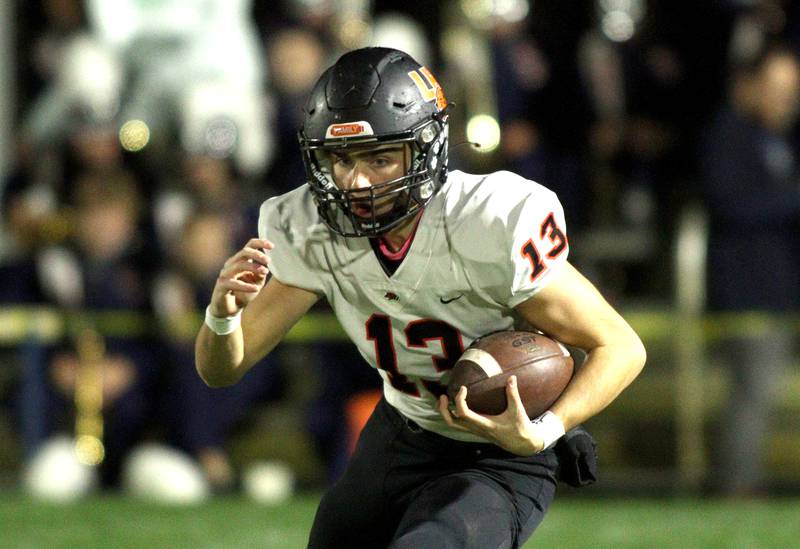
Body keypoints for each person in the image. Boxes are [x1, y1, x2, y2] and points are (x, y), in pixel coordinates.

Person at [195, 47, 646, 548]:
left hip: (497, 454)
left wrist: (547, 429)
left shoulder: (488, 223)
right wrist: (221, 316)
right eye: (341, 159)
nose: (357, 181)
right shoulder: (311, 228)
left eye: (381, 158)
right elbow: (221, 369)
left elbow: (620, 347)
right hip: (400, 433)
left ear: (426, 148)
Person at [699, 44, 800, 495]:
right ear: (749, 85)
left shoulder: (777, 137)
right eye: (778, 88)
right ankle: (735, 488)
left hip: (779, 289)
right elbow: (730, 205)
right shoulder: (727, 135)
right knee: (749, 396)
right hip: (747, 290)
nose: (786, 99)